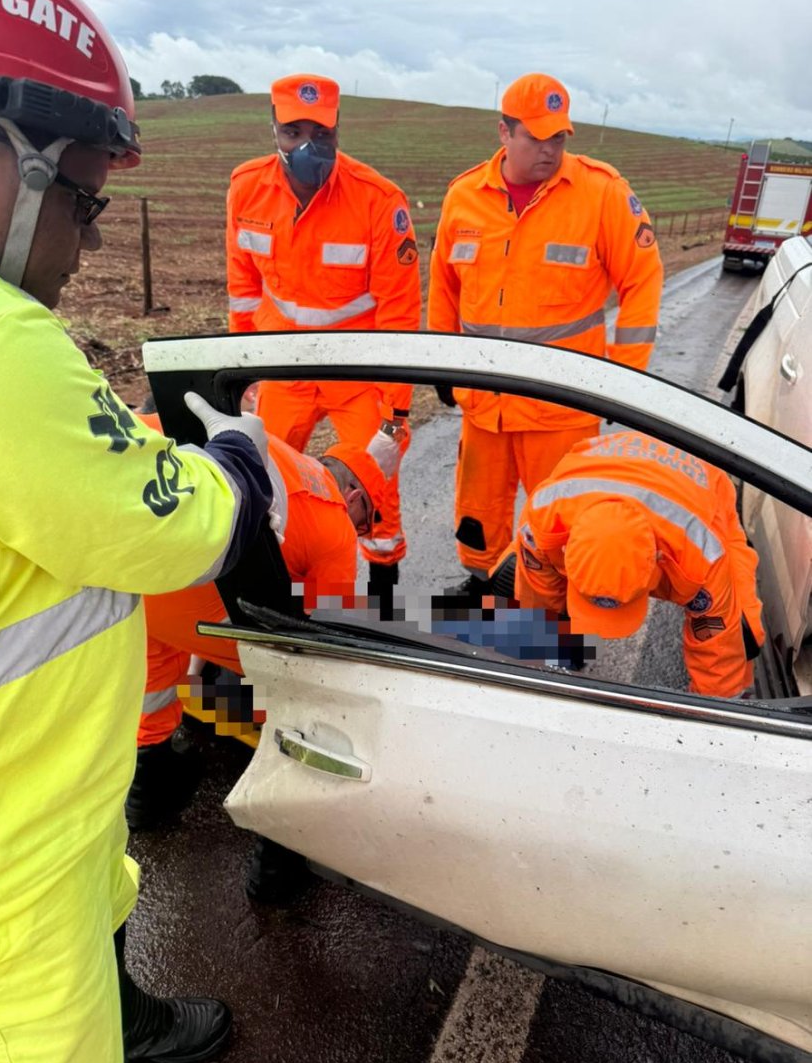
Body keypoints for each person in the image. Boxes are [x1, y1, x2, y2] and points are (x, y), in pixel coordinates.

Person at [0, 0, 273, 1063]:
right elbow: (166, 524)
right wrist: (235, 461)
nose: (88, 242)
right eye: (82, 199)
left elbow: (36, 474)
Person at [427, 71, 664, 594]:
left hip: (561, 405)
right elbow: (443, 284)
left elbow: (642, 281)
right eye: (535, 137)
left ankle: (553, 621)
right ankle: (484, 588)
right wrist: (440, 359)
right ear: (504, 133)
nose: (549, 150)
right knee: (478, 513)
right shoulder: (463, 197)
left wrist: (624, 381)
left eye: (557, 137)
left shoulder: (601, 194)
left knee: (562, 520)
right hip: (484, 401)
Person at [127, 417, 390, 830]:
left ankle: (147, 792)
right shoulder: (334, 521)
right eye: (365, 520)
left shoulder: (270, 442)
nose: (358, 532)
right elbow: (320, 639)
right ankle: (282, 843)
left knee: (154, 684)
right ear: (354, 496)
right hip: (197, 602)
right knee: (304, 682)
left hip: (134, 583)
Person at [225, 72, 422, 600]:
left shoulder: (378, 201)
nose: (308, 146)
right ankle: (267, 585)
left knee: (374, 479)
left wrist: (395, 410)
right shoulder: (246, 188)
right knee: (260, 476)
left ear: (339, 132)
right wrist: (239, 371)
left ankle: (382, 586)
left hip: (354, 371)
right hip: (283, 366)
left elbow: (400, 313)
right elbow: (243, 290)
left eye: (322, 133)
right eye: (294, 132)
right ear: (273, 130)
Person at [513, 431, 765, 698]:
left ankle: (739, 692)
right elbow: (538, 594)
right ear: (566, 548)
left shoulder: (702, 553)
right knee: (524, 582)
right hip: (608, 460)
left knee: (741, 624)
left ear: (657, 561)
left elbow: (716, 641)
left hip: (700, 481)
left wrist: (717, 709)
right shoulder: (542, 521)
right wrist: (545, 655)